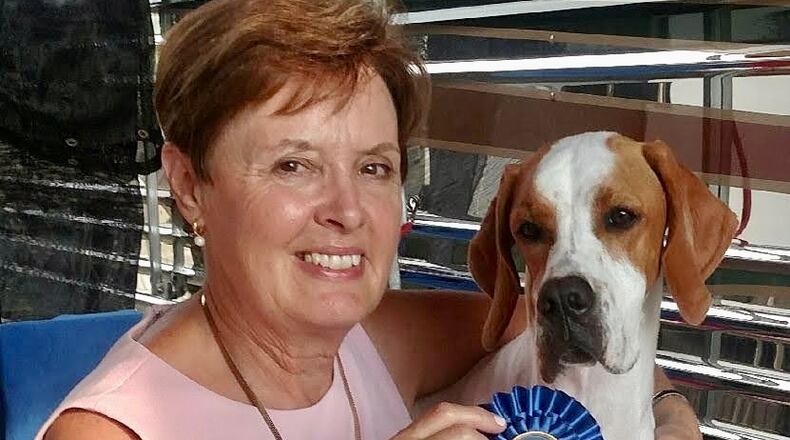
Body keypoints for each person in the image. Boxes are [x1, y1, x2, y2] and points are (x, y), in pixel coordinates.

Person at [39, 0, 703, 439]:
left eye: (375, 168)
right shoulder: (111, 431)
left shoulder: (367, 337)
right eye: (293, 165)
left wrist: (670, 414)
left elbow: (577, 328)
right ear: (189, 185)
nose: (347, 211)